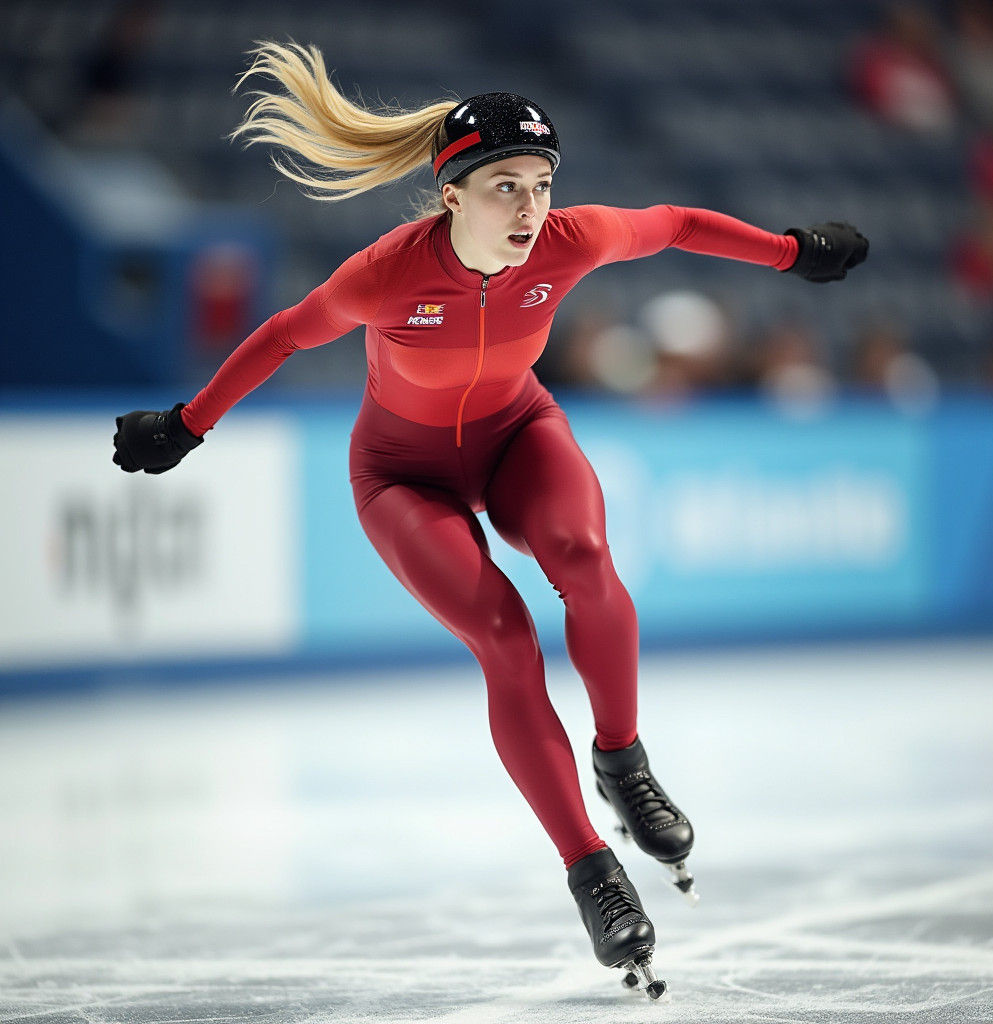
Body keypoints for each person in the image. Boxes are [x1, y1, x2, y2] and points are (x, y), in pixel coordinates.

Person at [111, 42, 869, 998]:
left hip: (518, 434)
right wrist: (188, 424)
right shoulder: (383, 275)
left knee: (587, 558)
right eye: (505, 186)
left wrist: (791, 252)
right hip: (402, 478)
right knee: (506, 639)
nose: (530, 208)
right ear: (452, 194)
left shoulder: (572, 241)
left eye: (541, 183)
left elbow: (673, 222)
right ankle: (593, 869)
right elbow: (282, 334)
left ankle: (622, 760)